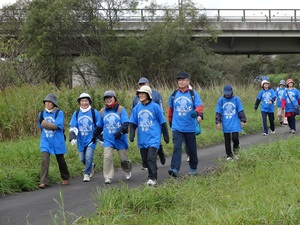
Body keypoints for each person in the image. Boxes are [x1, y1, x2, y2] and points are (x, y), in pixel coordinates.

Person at [129, 86, 169, 186]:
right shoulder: (137, 108)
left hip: (154, 137)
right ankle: (159, 149)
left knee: (151, 158)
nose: (140, 95)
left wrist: (165, 135)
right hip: (142, 138)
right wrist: (132, 133)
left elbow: (162, 122)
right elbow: (133, 123)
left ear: (148, 95)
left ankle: (152, 178)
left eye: (143, 93)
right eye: (139, 93)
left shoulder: (155, 107)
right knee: (145, 162)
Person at [91, 90, 132, 184]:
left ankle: (127, 170)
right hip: (108, 139)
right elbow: (99, 126)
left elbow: (126, 123)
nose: (108, 100)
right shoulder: (102, 111)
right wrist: (94, 135)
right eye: (106, 98)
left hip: (120, 139)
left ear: (114, 98)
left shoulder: (121, 109)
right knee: (107, 157)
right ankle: (108, 177)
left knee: (124, 159)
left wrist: (121, 132)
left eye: (110, 98)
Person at [167, 72, 203, 177]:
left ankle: (193, 167)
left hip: (190, 127)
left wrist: (196, 112)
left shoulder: (193, 94)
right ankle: (174, 168)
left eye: (183, 80)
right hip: (177, 126)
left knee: (191, 148)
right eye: (179, 80)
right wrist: (170, 121)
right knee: (177, 147)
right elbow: (170, 109)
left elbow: (200, 106)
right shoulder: (173, 95)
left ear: (188, 81)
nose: (181, 82)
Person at [132, 77, 166, 169]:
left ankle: (157, 157)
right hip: (143, 125)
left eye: (144, 83)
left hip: (155, 123)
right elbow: (134, 111)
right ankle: (150, 163)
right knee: (147, 146)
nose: (142, 85)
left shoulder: (156, 94)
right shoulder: (136, 98)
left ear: (148, 83)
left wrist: (162, 124)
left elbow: (161, 108)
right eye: (140, 84)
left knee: (154, 142)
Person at [37, 93, 70, 189]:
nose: (47, 104)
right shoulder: (41, 114)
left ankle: (65, 177)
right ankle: (43, 181)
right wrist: (45, 125)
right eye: (46, 102)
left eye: (49, 102)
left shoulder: (59, 113)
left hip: (57, 140)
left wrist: (44, 123)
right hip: (46, 140)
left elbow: (57, 126)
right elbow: (40, 127)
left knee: (60, 160)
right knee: (44, 160)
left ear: (54, 104)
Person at [69, 93, 101, 182]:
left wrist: (101, 139)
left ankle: (86, 174)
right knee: (82, 158)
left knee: (88, 157)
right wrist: (72, 137)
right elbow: (73, 127)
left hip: (91, 140)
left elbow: (99, 126)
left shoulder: (94, 113)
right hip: (81, 140)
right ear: (80, 102)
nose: (84, 103)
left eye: (86, 101)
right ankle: (91, 166)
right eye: (82, 101)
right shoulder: (76, 113)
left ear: (89, 102)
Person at [215, 85, 247, 160]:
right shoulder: (221, 100)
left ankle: (236, 152)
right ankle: (229, 155)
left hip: (235, 122)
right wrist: (218, 122)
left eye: (229, 93)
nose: (227, 95)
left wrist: (243, 120)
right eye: (226, 93)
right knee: (227, 140)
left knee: (235, 138)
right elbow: (218, 112)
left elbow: (240, 110)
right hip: (226, 123)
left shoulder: (236, 99)